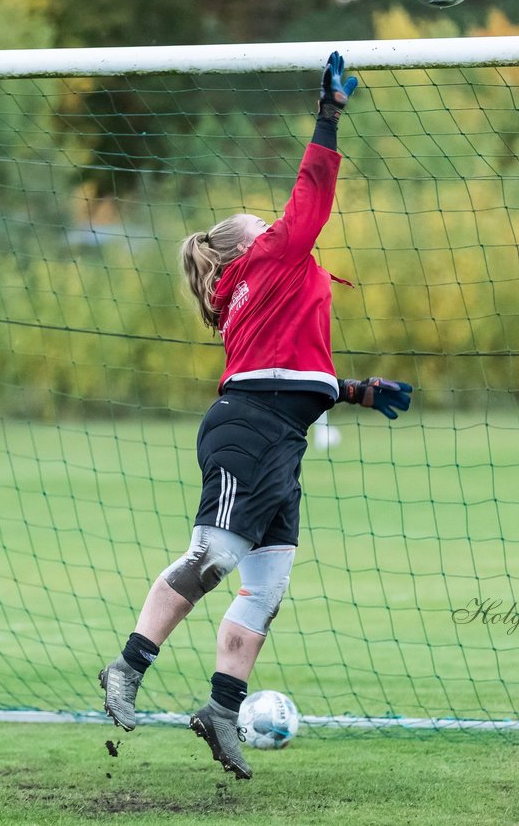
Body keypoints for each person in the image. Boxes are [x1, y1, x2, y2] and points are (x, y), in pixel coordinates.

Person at [98, 51, 413, 781]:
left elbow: (295, 371)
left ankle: (219, 708)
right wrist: (328, 115)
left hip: (277, 429)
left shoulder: (270, 279)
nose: (276, 221)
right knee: (213, 559)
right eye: (263, 222)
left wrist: (361, 391)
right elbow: (313, 190)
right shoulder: (270, 258)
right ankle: (127, 667)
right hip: (251, 428)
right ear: (248, 246)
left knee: (265, 587)